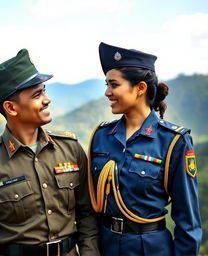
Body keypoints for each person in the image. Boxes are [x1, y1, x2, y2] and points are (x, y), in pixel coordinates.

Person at [0, 49, 100, 256]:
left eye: (44, 90)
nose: (47, 99)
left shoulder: (70, 148)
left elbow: (87, 216)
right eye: (37, 94)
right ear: (11, 108)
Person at [87, 42, 202, 256]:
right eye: (106, 84)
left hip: (150, 249)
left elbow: (188, 221)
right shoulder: (101, 136)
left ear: (140, 88)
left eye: (114, 85)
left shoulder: (173, 141)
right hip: (105, 247)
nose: (107, 92)